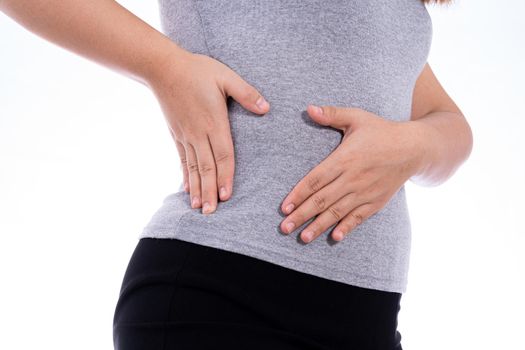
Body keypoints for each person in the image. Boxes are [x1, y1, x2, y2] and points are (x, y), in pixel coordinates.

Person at [0, 0, 473, 349]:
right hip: (223, 294)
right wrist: (164, 66)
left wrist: (412, 145)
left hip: (367, 318)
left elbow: (451, 127)